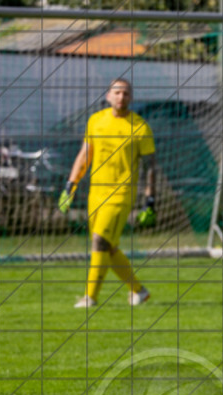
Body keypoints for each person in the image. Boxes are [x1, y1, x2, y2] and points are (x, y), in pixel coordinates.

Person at [59, 78, 157, 308]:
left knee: (99, 241)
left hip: (122, 195)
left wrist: (150, 199)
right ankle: (139, 291)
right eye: (117, 92)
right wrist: (70, 185)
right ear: (108, 96)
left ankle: (90, 297)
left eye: (125, 93)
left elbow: (150, 166)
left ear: (130, 98)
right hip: (96, 194)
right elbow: (85, 155)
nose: (121, 97)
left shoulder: (140, 127)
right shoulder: (96, 121)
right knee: (108, 247)